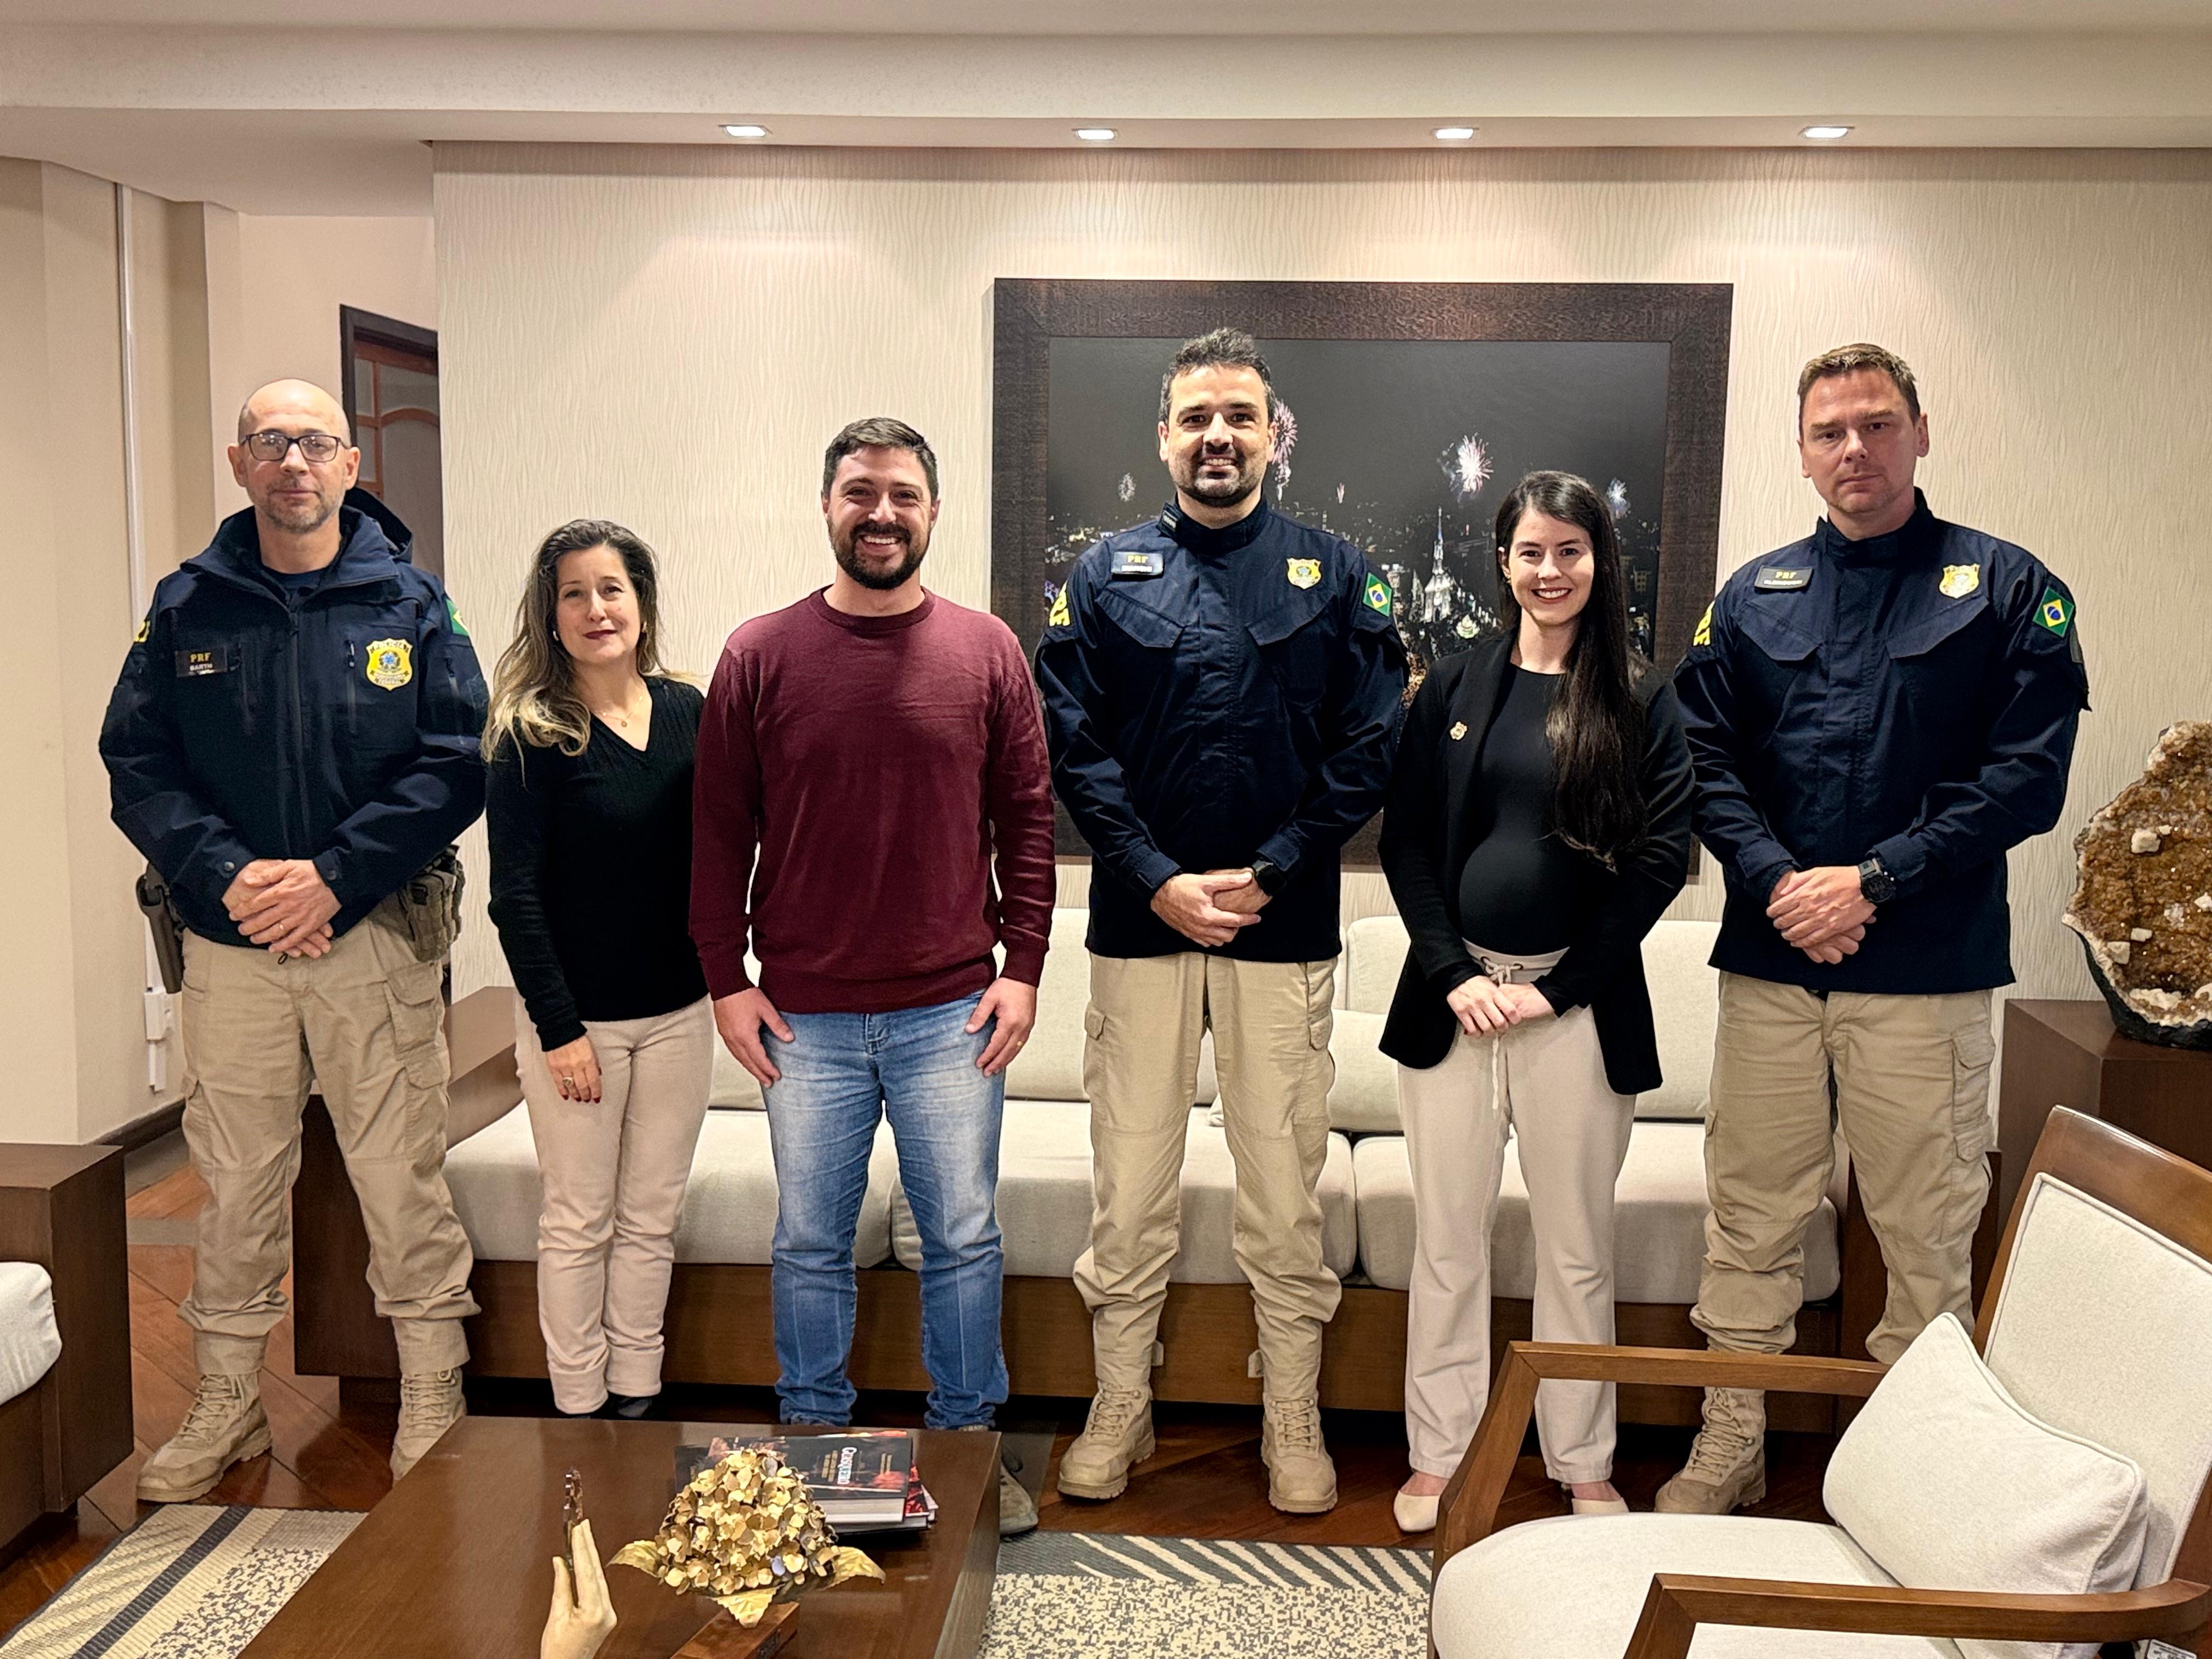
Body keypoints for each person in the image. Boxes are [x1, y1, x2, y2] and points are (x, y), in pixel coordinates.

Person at [1660, 343, 2089, 1514]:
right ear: (1803, 452)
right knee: (1750, 1216)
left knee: (1927, 1234)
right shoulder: (1752, 597)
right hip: (1773, 968)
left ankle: (1916, 1477)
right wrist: (1779, 883)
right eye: (1830, 432)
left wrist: (1875, 881)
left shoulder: (2007, 588)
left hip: (1924, 971)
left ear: (1921, 432)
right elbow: (1701, 760)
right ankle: (1732, 1439)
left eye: (1878, 424)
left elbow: (2027, 779)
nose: (1855, 449)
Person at [1036, 329, 1407, 1514]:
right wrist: (1154, 876)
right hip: (1141, 929)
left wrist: (1280, 864)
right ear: (1164, 437)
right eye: (1196, 417)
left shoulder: (1336, 574)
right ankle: (1121, 1402)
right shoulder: (1104, 577)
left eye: (1240, 417)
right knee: (1129, 1188)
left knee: (1284, 1193)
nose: (1217, 437)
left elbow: (1373, 743)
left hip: (1279, 927)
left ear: (1272, 436)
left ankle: (1291, 1413)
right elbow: (1072, 747)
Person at [100, 379, 487, 1497]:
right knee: (235, 1181)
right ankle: (227, 1399)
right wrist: (231, 875)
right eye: (270, 443)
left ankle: (432, 1384)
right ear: (240, 464)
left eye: (315, 442)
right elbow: (137, 762)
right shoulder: (189, 605)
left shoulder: (410, 602)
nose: (294, 463)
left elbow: (456, 760)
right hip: (232, 947)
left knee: (399, 1170)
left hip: (372, 937)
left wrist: (334, 878)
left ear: (351, 465)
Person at [690, 417, 1056, 1537]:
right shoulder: (759, 654)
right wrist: (726, 979)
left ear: (933, 511)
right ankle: (811, 1450)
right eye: (860, 492)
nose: (881, 513)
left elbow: (1027, 818)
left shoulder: (988, 651)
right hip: (804, 1018)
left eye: (902, 494)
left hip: (955, 1010)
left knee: (964, 1241)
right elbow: (719, 833)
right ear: (827, 506)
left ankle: (969, 1449)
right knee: (809, 1243)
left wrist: (1025, 966)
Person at [1377, 472, 1695, 1533]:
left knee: (1576, 1245)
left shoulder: (1641, 699)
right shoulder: (1457, 686)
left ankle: (1583, 1460)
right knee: (1447, 1242)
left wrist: (1557, 991)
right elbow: (1407, 842)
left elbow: (1659, 862)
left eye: (1570, 550)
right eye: (1530, 552)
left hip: (1578, 1013)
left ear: (1599, 561)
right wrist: (1455, 975)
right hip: (1457, 1006)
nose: (1549, 571)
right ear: (1503, 562)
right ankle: (1440, 1454)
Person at [484, 520, 713, 1421]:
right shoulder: (528, 733)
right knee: (580, 1219)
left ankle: (637, 1394)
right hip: (577, 1024)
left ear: (642, 604)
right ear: (550, 615)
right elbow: (515, 899)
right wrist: (559, 1030)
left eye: (611, 589)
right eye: (573, 594)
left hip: (680, 1015)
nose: (595, 609)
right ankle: (578, 1402)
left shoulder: (691, 711)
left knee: (652, 1216)